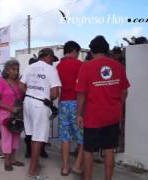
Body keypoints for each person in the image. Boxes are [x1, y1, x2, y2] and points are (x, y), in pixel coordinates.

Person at [76, 35, 130, 180]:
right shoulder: (118, 66)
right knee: (109, 149)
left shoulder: (86, 66)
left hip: (93, 116)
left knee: (89, 150)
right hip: (112, 115)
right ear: (106, 50)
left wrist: (79, 114)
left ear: (92, 51)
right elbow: (124, 91)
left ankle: (88, 178)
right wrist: (119, 105)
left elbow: (81, 94)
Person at [20, 48, 61, 179]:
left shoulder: (30, 67)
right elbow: (55, 94)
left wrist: (32, 92)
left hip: (27, 102)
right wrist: (43, 95)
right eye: (52, 59)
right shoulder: (51, 70)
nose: (52, 63)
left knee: (32, 135)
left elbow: (21, 87)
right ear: (47, 56)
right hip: (40, 105)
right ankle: (32, 171)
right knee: (38, 138)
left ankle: (35, 165)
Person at [56, 41, 83, 176]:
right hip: (77, 103)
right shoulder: (79, 65)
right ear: (73, 51)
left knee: (65, 137)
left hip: (63, 103)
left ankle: (65, 167)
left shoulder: (59, 66)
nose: (78, 56)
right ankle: (77, 165)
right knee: (82, 136)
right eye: (78, 53)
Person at [0, 59, 25, 171]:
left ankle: (13, 159)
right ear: (7, 70)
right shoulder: (1, 82)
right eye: (13, 69)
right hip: (5, 115)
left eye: (17, 69)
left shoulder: (19, 83)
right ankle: (7, 161)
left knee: (16, 136)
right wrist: (11, 108)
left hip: (17, 115)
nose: (16, 72)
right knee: (7, 138)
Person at [24, 57, 48, 159]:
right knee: (32, 131)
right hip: (32, 104)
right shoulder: (26, 74)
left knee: (36, 131)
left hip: (39, 104)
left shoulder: (43, 75)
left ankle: (40, 150)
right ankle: (31, 151)